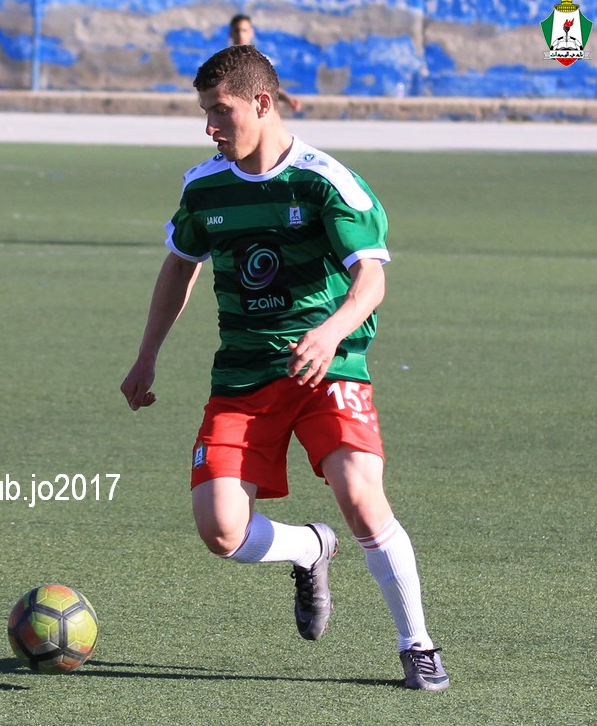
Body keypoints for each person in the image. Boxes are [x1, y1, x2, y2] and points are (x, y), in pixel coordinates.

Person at [119, 45, 448, 691]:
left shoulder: (326, 182)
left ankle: (418, 644)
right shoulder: (204, 187)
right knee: (221, 531)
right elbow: (180, 264)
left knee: (361, 497)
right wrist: (147, 354)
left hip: (329, 369)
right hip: (243, 377)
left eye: (221, 111)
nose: (210, 127)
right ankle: (309, 547)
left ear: (262, 103)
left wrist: (329, 334)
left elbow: (371, 280)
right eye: (205, 113)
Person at [228, 13, 302, 112]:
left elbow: (267, 86)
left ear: (251, 32)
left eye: (244, 30)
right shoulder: (225, 62)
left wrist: (288, 99)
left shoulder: (258, 61)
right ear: (231, 33)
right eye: (237, 31)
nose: (240, 34)